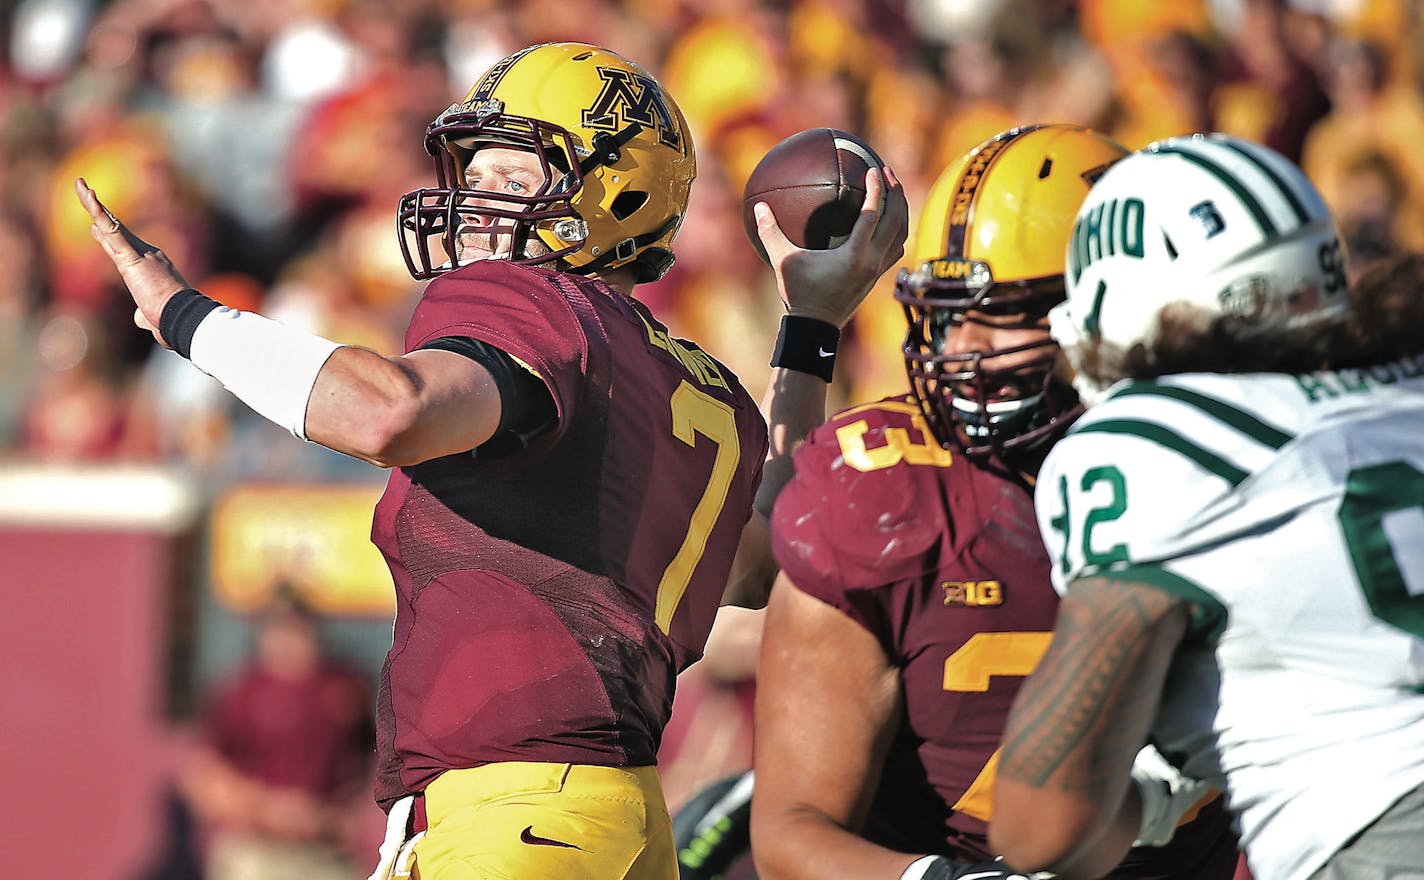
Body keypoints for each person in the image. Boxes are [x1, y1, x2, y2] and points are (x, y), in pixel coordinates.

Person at [77, 41, 909, 880]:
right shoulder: (706, 391)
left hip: (513, 823)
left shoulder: (534, 300)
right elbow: (766, 557)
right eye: (474, 178)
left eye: (513, 181)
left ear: (616, 193)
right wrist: (812, 325)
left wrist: (187, 317)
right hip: (616, 823)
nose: (476, 207)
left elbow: (387, 411)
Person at [750, 124, 1240, 880]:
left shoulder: (1242, 467)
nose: (962, 350)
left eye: (1003, 312)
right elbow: (792, 833)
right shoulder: (881, 486)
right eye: (947, 314)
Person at [990, 134, 1424, 880]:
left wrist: (1147, 797)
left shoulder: (1152, 446)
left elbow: (1043, 827)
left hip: (1380, 820)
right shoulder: (1401, 388)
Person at [180, 589, 374, 880]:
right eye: (279, 629)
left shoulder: (343, 686)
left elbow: (371, 759)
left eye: (297, 628)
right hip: (258, 847)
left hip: (324, 849)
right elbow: (203, 774)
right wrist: (267, 808)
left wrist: (332, 815)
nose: (289, 639)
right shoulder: (242, 690)